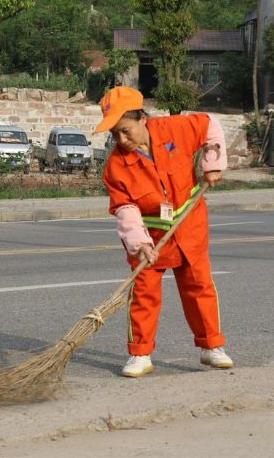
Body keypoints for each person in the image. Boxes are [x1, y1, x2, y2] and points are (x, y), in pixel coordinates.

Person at [94, 86, 233, 378]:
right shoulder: (116, 166)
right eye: (115, 134)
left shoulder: (175, 129)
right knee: (143, 291)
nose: (121, 140)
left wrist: (213, 164)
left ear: (143, 118)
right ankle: (140, 353)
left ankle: (212, 347)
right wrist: (139, 243)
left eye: (126, 130)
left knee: (198, 284)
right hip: (150, 238)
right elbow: (124, 208)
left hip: (190, 223)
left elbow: (211, 125)